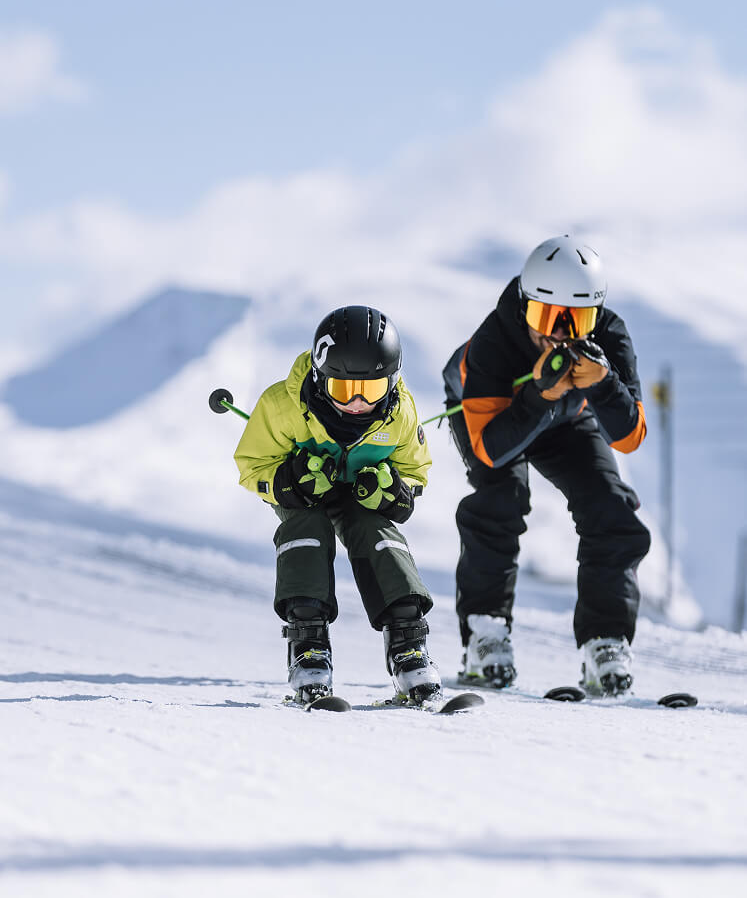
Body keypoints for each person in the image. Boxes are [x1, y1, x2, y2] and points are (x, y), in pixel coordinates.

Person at [442, 236, 651, 696]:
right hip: (490, 417)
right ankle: (485, 632)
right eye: (546, 316)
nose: (558, 333)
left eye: (575, 320)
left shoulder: (609, 337)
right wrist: (539, 396)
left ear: (594, 316)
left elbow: (629, 437)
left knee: (611, 506)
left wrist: (603, 383)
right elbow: (489, 450)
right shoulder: (497, 338)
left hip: (566, 418)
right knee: (501, 497)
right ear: (525, 304)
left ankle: (606, 639)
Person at [233, 304, 440, 706]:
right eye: (344, 389)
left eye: (373, 389)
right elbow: (252, 464)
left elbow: (415, 470)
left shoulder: (400, 414)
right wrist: (289, 481)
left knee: (377, 533)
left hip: (361, 497)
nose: (358, 403)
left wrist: (395, 492)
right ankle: (308, 646)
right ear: (319, 375)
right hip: (307, 494)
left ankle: (408, 645)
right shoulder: (282, 405)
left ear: (392, 382)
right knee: (306, 529)